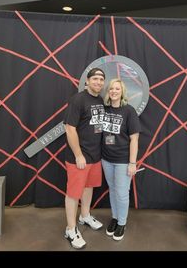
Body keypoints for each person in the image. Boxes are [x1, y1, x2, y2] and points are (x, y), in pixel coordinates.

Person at [63, 68, 105, 249]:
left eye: (101, 79)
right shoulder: (77, 100)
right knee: (73, 193)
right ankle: (71, 230)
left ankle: (85, 215)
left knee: (89, 187)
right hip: (79, 157)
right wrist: (78, 154)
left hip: (95, 156)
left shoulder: (100, 100)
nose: (98, 82)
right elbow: (69, 128)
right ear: (87, 81)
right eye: (95, 78)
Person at [101, 78, 141, 241]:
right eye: (111, 89)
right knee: (112, 189)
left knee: (122, 193)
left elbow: (135, 139)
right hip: (106, 159)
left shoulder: (129, 111)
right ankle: (115, 218)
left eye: (117, 89)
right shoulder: (104, 109)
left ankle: (122, 223)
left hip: (123, 160)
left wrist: (132, 163)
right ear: (108, 92)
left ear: (122, 92)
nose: (114, 91)